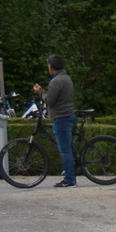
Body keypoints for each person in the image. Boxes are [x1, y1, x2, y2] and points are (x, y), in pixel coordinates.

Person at [35, 56, 78, 187]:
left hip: (61, 118)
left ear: (51, 67)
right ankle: (70, 173)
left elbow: (50, 101)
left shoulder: (56, 81)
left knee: (65, 150)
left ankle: (69, 179)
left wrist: (40, 92)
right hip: (70, 115)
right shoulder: (66, 78)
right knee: (68, 149)